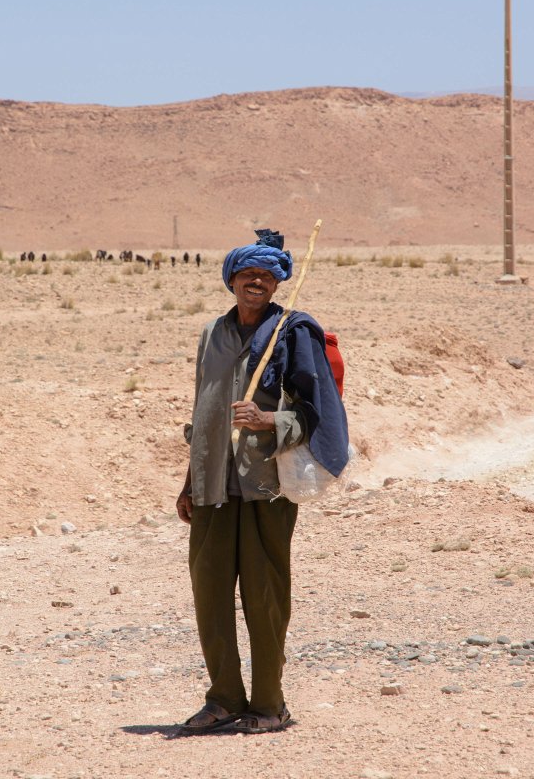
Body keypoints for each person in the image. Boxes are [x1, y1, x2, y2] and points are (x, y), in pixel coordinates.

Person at [175, 229, 349, 735]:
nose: (257, 280)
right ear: (231, 279)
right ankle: (224, 699)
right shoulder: (212, 334)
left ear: (278, 283)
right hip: (212, 485)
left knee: (265, 597)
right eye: (248, 273)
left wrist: (269, 420)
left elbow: (321, 414)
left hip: (265, 485)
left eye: (268, 274)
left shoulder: (292, 333)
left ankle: (270, 705)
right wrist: (190, 480)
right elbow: (202, 413)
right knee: (209, 594)